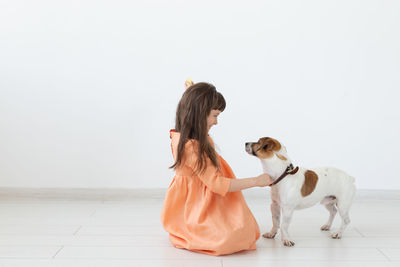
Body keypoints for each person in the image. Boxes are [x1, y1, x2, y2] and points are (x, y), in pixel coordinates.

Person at [160, 80, 273, 256]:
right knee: (231, 239)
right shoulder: (191, 147)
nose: (216, 122)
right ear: (198, 114)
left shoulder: (185, 136)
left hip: (207, 197)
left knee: (245, 230)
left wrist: (192, 92)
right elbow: (217, 184)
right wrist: (257, 181)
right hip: (197, 204)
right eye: (214, 115)